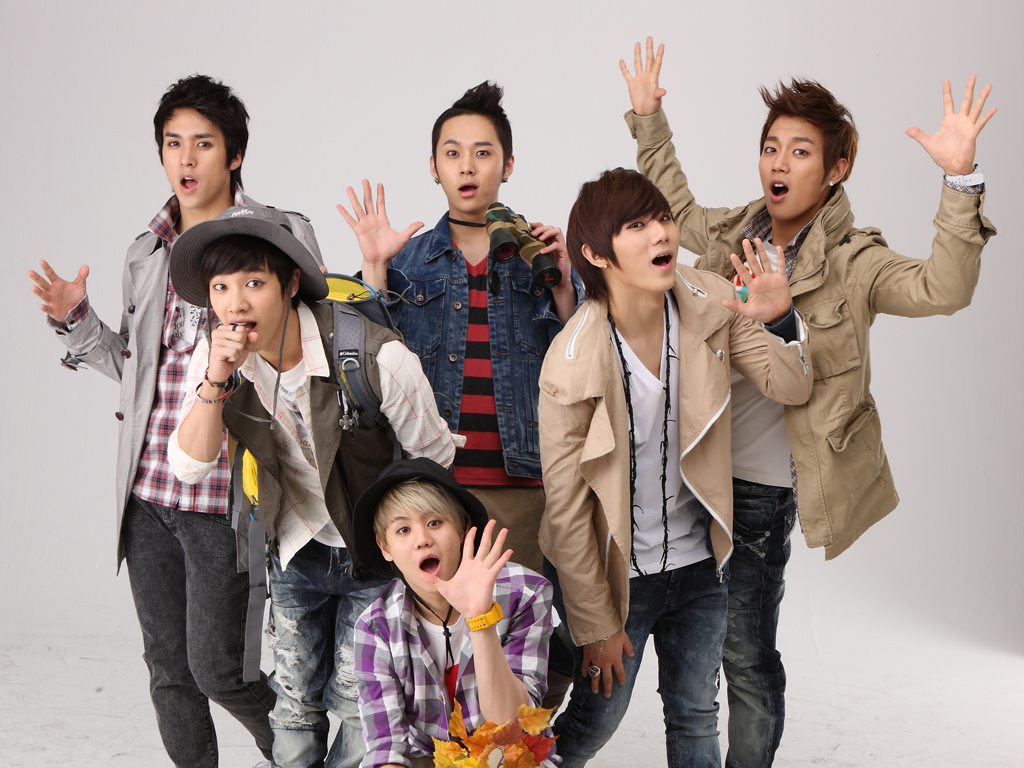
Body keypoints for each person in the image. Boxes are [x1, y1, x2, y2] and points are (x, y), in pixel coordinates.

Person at [620, 37, 997, 768]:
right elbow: (675, 206)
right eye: (771, 148)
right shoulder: (733, 234)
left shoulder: (857, 262)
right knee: (693, 649)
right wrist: (647, 119)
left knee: (744, 654)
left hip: (764, 489)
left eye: (800, 152)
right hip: (696, 471)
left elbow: (944, 288)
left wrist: (960, 181)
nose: (780, 164)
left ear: (835, 169)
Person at [26, 75, 320, 767]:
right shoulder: (146, 251)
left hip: (224, 497)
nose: (186, 159)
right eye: (172, 143)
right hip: (147, 495)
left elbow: (308, 351)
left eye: (203, 144)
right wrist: (78, 321)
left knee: (221, 670)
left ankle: (307, 759)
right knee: (168, 673)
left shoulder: (279, 235)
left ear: (234, 155)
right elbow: (138, 373)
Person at [538, 167, 813, 768]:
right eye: (636, 225)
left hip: (699, 567)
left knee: (694, 714)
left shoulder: (708, 301)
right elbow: (565, 510)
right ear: (596, 254)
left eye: (662, 218)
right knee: (597, 720)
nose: (661, 232)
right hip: (618, 576)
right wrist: (595, 624)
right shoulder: (571, 360)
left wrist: (778, 320)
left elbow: (790, 387)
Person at [165, 209, 458, 768]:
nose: (235, 304)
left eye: (254, 282)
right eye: (221, 287)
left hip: (373, 551)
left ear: (291, 283)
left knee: (361, 702)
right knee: (295, 702)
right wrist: (216, 380)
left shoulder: (375, 356)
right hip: (295, 544)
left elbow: (434, 457)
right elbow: (189, 467)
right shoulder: (217, 357)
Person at [337, 81, 583, 574]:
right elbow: (366, 366)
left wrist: (562, 284)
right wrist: (376, 267)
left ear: (508, 165)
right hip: (427, 486)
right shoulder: (406, 260)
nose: (467, 166)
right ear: (434, 167)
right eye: (452, 154)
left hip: (522, 484)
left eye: (482, 152)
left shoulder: (538, 258)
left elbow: (580, 363)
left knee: (513, 617)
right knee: (435, 620)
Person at [351, 458, 554, 768]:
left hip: (509, 757)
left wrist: (480, 619)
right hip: (427, 758)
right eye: (403, 529)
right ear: (385, 547)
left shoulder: (525, 594)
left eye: (435, 522)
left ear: (462, 528)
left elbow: (513, 726)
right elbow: (386, 747)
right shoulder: (375, 627)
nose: (422, 540)